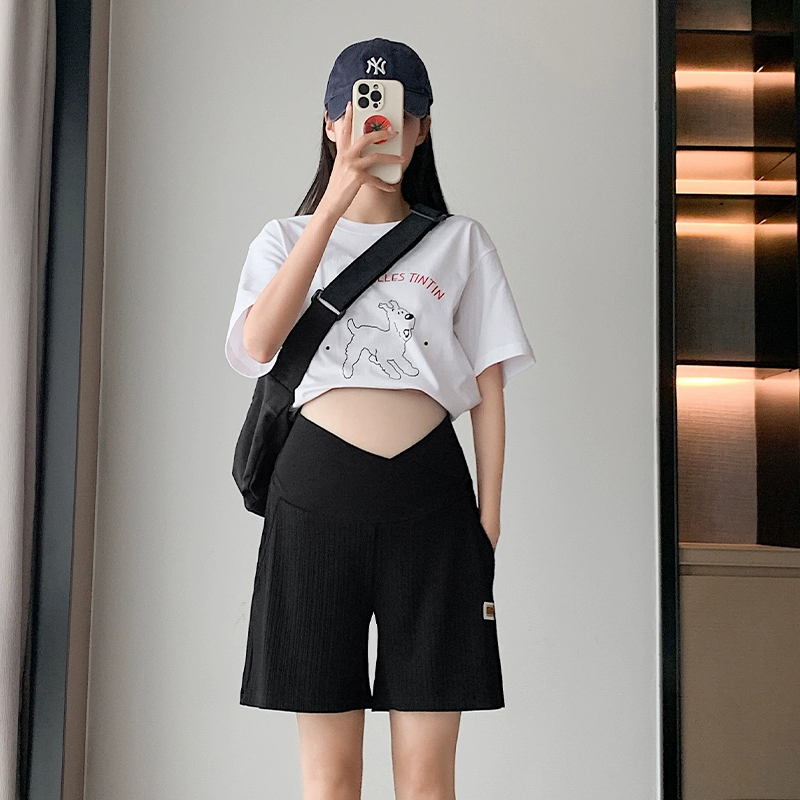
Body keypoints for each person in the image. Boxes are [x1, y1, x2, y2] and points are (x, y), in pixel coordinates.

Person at [225, 37, 536, 800]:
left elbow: (490, 387)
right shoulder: (282, 239)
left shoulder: (459, 241)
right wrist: (333, 204)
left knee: (428, 778)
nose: (378, 126)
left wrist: (489, 519)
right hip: (314, 498)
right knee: (329, 778)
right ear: (331, 122)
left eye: (398, 112)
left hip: (432, 503)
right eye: (361, 110)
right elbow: (258, 346)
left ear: (422, 128)